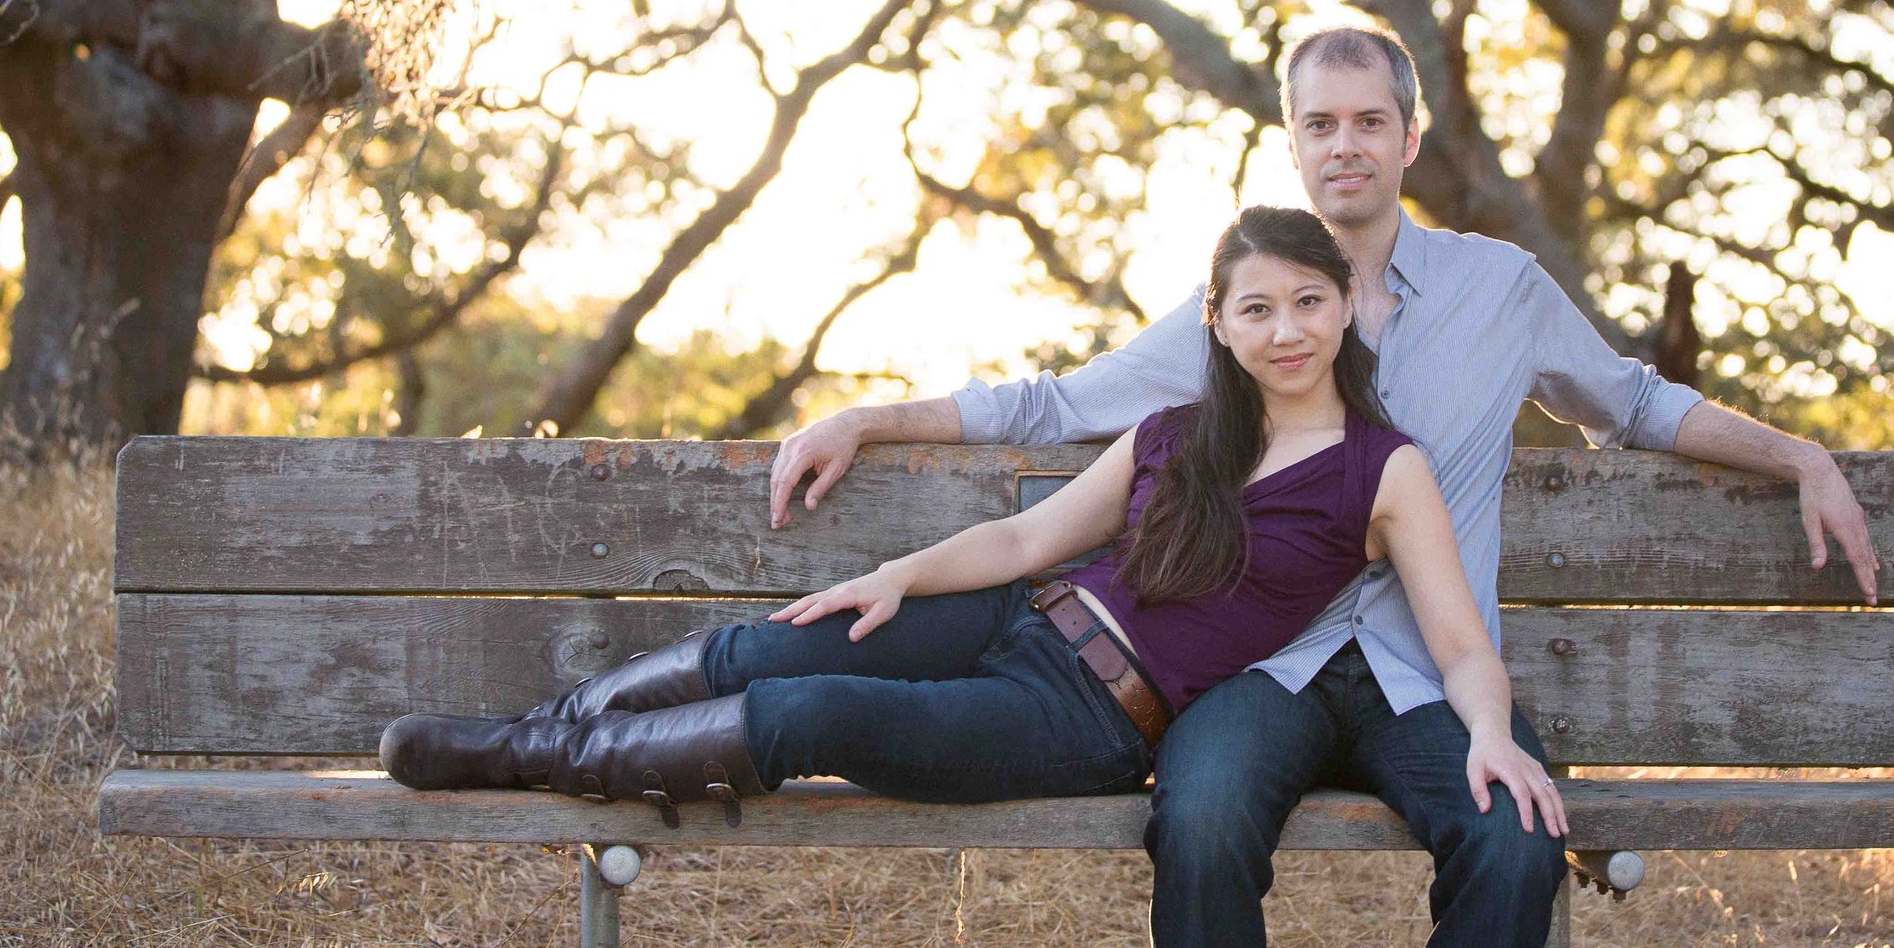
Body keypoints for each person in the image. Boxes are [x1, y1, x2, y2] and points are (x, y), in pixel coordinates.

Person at [767, 23, 1882, 948]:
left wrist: (1798, 454)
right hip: (1263, 667)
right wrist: (869, 417)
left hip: (1432, 672)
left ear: (1407, 135)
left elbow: (1633, 400)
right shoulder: (1248, 302)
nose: (1342, 144)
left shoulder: (1502, 291)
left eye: (1366, 121)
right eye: (1318, 124)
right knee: (1196, 823)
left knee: (1515, 840)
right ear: (1292, 140)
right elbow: (1059, 399)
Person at [378, 206, 1566, 857]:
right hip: (1020, 621)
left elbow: (1459, 643)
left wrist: (1494, 735)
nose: (1286, 327)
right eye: (1256, 306)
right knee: (771, 644)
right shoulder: (1174, 429)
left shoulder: (1382, 466)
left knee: (803, 716)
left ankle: (539, 761)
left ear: (1346, 306)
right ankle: (520, 736)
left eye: (1309, 301)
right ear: (1218, 320)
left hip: (1088, 716)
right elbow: (1023, 541)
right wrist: (892, 575)